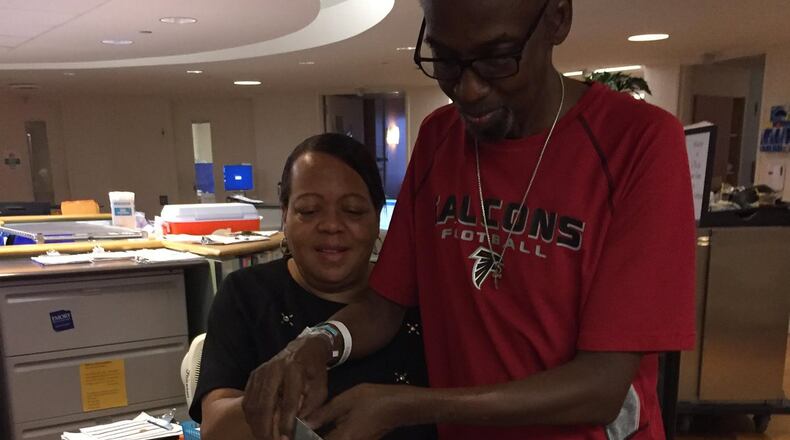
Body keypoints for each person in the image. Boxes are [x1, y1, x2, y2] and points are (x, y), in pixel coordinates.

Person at [247, 1, 696, 439]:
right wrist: (317, 341)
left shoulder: (639, 142)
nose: (468, 89)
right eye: (445, 60)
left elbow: (601, 387)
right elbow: (385, 305)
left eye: (499, 58)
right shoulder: (439, 138)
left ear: (558, 18)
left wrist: (402, 405)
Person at [188, 133, 436, 440]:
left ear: (377, 220)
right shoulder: (246, 295)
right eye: (308, 210)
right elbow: (216, 429)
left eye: (353, 211)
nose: (331, 225)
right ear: (285, 216)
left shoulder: (417, 298)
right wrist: (278, 396)